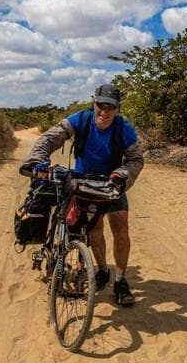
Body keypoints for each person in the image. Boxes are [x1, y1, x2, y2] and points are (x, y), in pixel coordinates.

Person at [19, 84, 144, 307]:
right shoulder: (81, 119)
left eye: (110, 107)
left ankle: (120, 281)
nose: (104, 112)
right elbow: (49, 138)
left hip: (112, 184)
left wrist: (122, 175)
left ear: (117, 109)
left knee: (121, 229)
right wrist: (39, 159)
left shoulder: (123, 128)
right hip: (81, 182)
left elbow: (136, 159)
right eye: (100, 105)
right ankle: (103, 270)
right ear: (94, 103)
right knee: (94, 230)